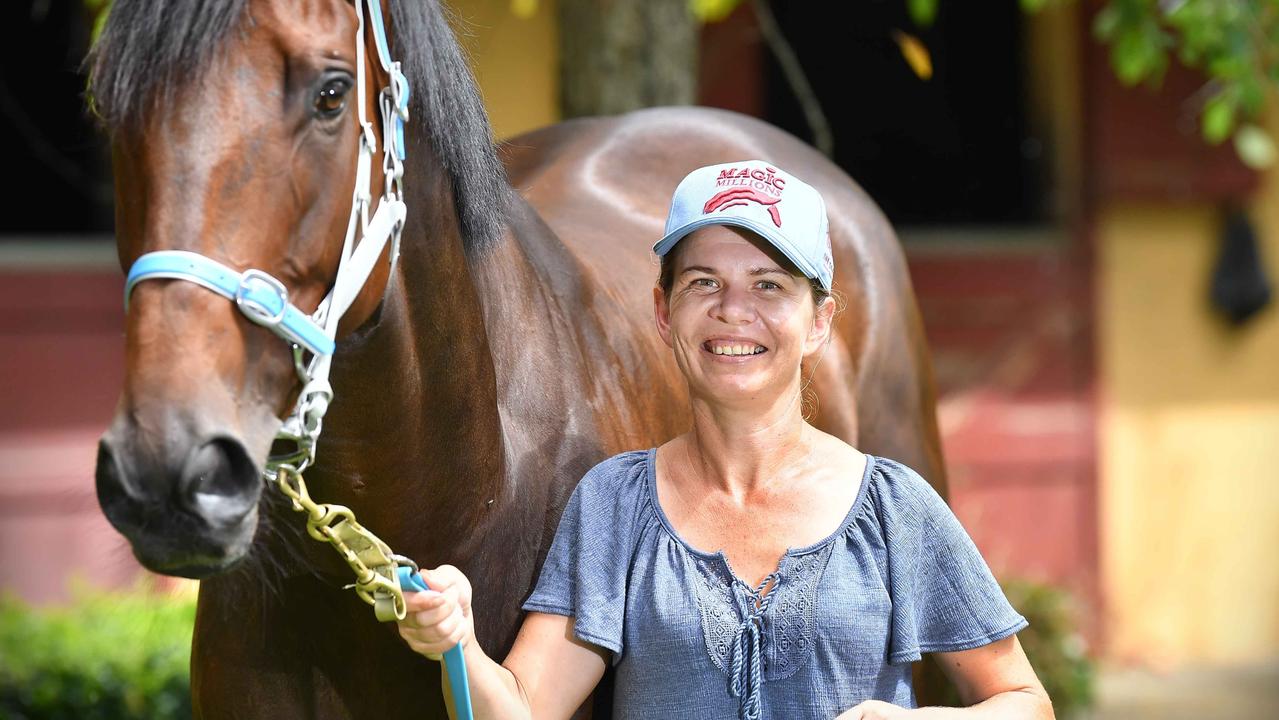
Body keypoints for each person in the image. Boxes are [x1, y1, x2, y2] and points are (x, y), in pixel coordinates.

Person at [396, 161, 1054, 720]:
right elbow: (523, 709)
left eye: (768, 285)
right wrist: (457, 641)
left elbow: (1024, 700)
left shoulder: (892, 506)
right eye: (703, 282)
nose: (732, 310)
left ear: (818, 321)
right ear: (664, 312)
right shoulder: (613, 506)